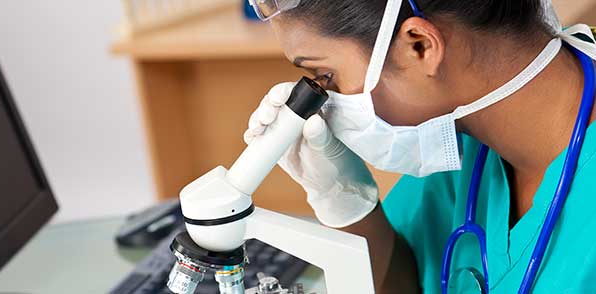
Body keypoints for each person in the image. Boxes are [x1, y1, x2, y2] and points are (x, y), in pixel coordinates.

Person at [244, 0, 596, 293]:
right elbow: (403, 283)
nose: (322, 104)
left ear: (420, 45)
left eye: (326, 78)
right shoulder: (469, 148)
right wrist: (345, 202)